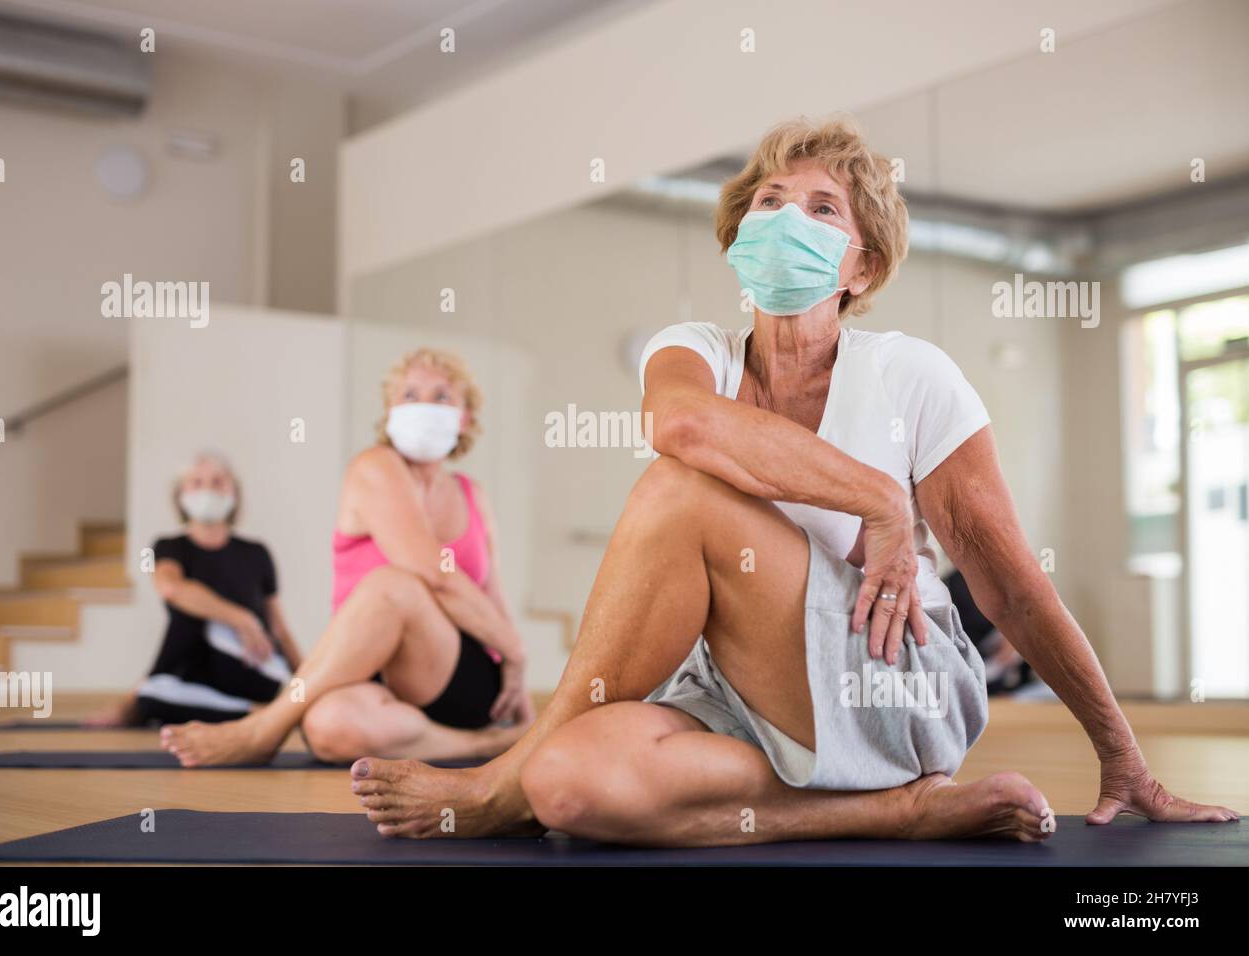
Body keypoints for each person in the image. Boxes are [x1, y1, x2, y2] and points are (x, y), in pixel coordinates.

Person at [347, 116, 1238, 845]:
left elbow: (1009, 584)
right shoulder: (692, 350)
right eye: (770, 202)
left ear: (863, 268)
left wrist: (1125, 759)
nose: (785, 218)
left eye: (822, 210)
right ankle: (895, 812)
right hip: (743, 696)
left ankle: (497, 782)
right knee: (572, 786)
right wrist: (881, 499)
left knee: (678, 492)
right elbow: (680, 422)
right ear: (738, 238)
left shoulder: (912, 375)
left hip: (893, 679)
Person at [159, 348, 532, 766]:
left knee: (394, 585)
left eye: (441, 396)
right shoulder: (375, 467)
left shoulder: (472, 493)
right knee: (326, 727)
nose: (424, 405)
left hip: (459, 674)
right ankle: (483, 746)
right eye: (409, 394)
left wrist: (520, 688)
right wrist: (522, 696)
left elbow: (487, 592)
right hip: (369, 675)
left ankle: (262, 730)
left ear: (464, 418)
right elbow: (434, 570)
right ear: (390, 412)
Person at [85, 450, 300, 727]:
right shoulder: (168, 547)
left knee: (191, 615)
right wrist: (241, 617)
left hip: (251, 663)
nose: (208, 489)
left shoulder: (256, 552)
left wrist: (307, 684)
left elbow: (279, 629)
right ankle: (257, 714)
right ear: (180, 496)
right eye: (197, 483)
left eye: (218, 481)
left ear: (234, 493)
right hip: (197, 673)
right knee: (152, 695)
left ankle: (134, 697)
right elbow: (170, 588)